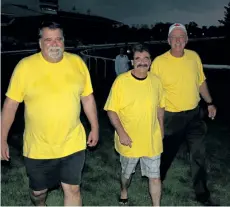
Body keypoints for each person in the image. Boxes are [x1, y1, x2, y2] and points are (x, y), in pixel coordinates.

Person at [1, 21, 99, 206]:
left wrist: (94, 127)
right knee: (39, 192)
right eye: (48, 40)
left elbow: (87, 98)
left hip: (73, 142)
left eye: (58, 39)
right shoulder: (25, 67)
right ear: (40, 43)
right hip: (38, 146)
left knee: (73, 189)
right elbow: (10, 105)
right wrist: (1, 139)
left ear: (63, 41)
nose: (54, 44)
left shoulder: (77, 63)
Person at [150, 23, 217, 206]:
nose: (178, 40)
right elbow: (153, 93)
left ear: (186, 40)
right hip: (172, 117)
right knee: (166, 155)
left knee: (198, 154)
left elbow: (201, 82)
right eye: (174, 37)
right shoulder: (159, 63)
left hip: (195, 115)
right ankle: (156, 181)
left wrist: (209, 102)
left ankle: (202, 194)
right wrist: (158, 121)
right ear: (168, 40)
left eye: (181, 37)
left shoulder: (194, 57)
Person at [104, 44, 165, 206]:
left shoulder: (157, 81)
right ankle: (124, 190)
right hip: (129, 140)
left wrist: (161, 129)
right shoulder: (121, 81)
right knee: (126, 174)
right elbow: (111, 110)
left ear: (151, 61)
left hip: (152, 139)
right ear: (132, 62)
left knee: (155, 176)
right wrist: (121, 133)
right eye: (138, 58)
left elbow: (160, 107)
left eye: (146, 58)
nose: (142, 62)